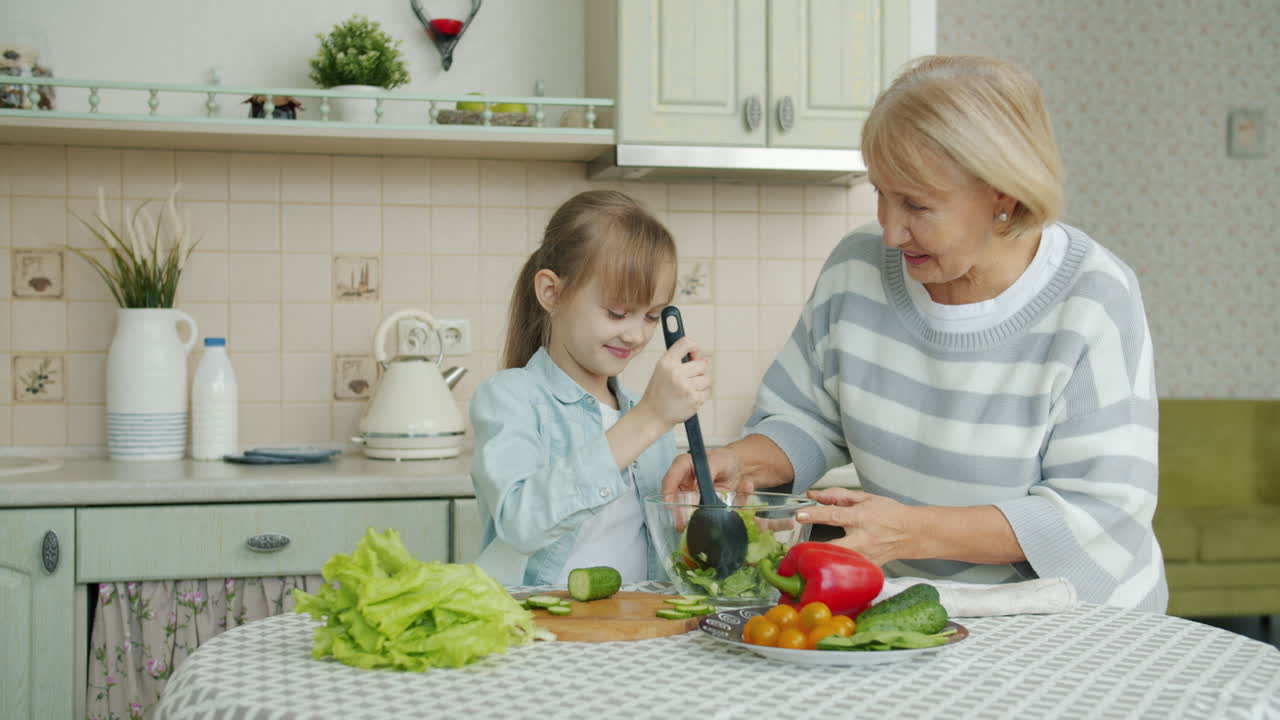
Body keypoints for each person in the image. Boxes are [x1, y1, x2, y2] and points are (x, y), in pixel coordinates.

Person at [661, 55, 1167, 612]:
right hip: (915, 610)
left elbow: (1099, 513)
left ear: (1005, 194)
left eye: (917, 205)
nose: (890, 230)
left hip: (1074, 622)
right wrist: (739, 461)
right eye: (880, 193)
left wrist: (913, 531)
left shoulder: (1094, 298)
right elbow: (806, 417)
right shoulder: (857, 268)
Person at [471, 190, 712, 586]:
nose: (636, 334)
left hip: (633, 630)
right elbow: (519, 524)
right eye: (617, 312)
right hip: (538, 635)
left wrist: (693, 511)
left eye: (652, 316)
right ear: (552, 292)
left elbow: (657, 551)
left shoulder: (642, 413)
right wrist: (649, 418)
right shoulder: (509, 398)